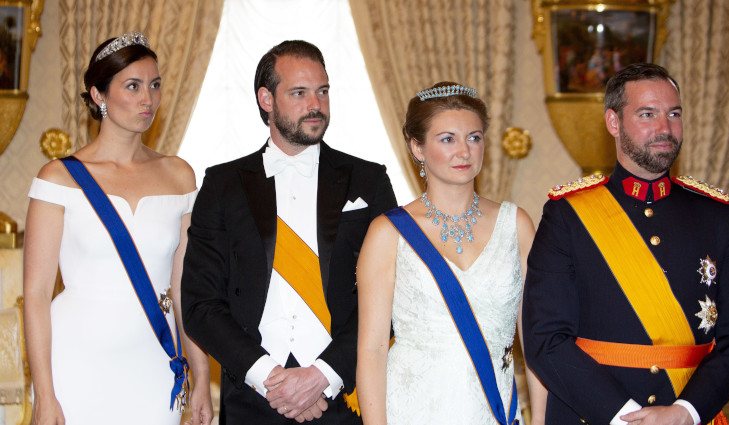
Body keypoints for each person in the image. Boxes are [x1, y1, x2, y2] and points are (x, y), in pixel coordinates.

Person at [181, 39, 397, 424]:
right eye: (299, 93)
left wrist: (323, 377)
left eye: (322, 92)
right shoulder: (222, 184)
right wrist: (269, 379)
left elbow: (393, 294)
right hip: (253, 398)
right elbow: (200, 303)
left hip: (343, 397)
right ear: (266, 99)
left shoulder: (368, 180)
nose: (316, 105)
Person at [523, 63, 729, 425]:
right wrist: (625, 417)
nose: (664, 128)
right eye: (647, 114)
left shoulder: (715, 215)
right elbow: (545, 340)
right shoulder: (568, 215)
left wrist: (685, 413)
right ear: (613, 122)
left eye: (673, 114)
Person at [23, 32, 212, 425]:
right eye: (133, 86)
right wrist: (44, 394)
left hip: (153, 362)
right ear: (98, 95)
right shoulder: (59, 178)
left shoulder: (179, 175)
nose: (149, 99)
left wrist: (202, 375)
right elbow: (37, 294)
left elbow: (185, 287)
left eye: (155, 85)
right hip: (75, 364)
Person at [356, 82, 547, 424]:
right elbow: (372, 351)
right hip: (413, 412)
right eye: (447, 139)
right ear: (417, 147)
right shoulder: (388, 233)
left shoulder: (516, 225)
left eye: (474, 137)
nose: (464, 151)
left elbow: (536, 342)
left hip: (494, 411)